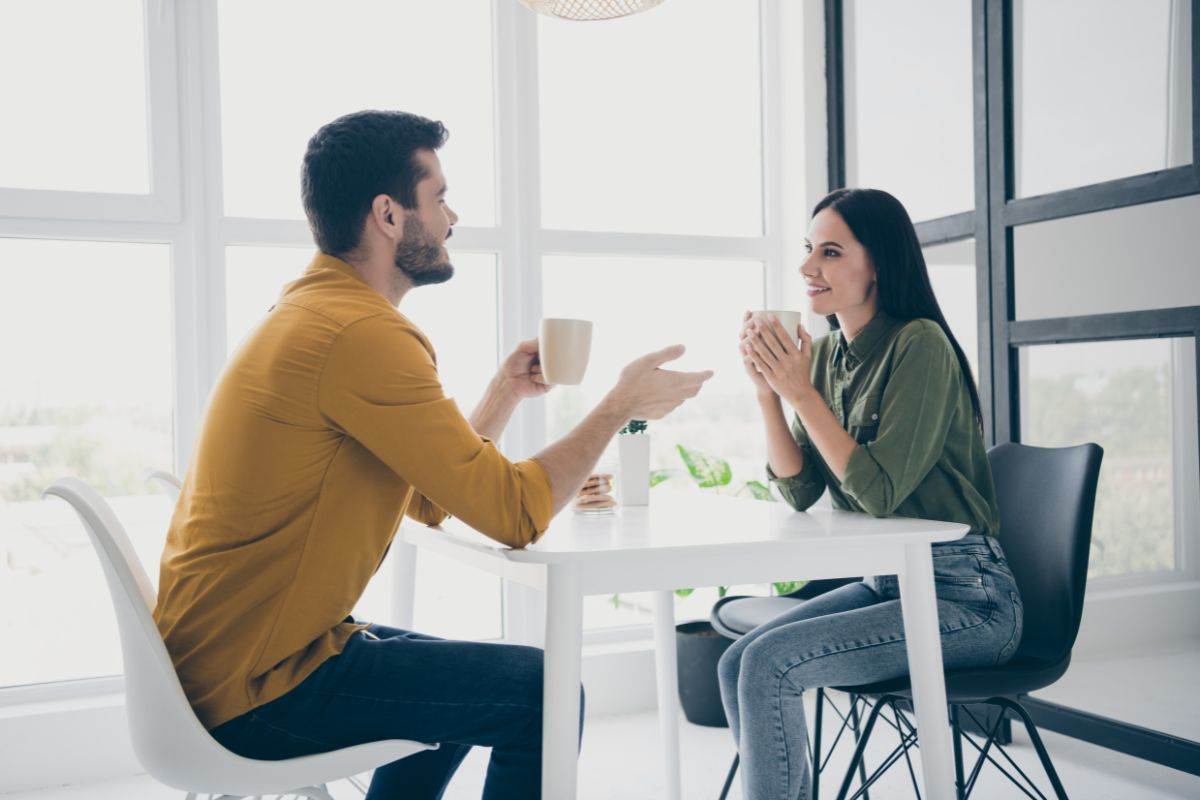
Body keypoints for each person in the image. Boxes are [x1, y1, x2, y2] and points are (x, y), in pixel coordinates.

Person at [152, 109, 712, 800]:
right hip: (259, 689)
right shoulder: (364, 334)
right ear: (388, 215)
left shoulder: (313, 313)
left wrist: (503, 395)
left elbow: (426, 498)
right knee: (542, 691)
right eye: (439, 196)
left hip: (225, 663)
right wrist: (618, 404)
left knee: (455, 694)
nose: (453, 217)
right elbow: (516, 514)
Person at [720, 188, 1023, 800]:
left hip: (971, 600)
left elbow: (880, 492)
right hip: (892, 584)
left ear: (878, 263)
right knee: (736, 662)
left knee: (768, 664)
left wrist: (801, 394)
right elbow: (801, 490)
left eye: (829, 252)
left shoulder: (920, 344)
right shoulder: (826, 354)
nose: (808, 268)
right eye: (808, 250)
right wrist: (768, 394)